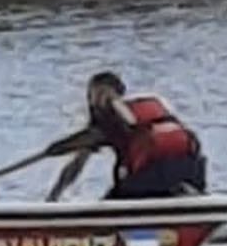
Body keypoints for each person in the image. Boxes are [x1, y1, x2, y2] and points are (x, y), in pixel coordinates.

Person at [46, 71, 207, 202]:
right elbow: (76, 164)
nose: (92, 101)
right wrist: (54, 195)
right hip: (193, 170)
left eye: (92, 95)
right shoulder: (149, 106)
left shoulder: (111, 119)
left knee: (107, 208)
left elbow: (78, 150)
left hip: (151, 179)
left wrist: (55, 149)